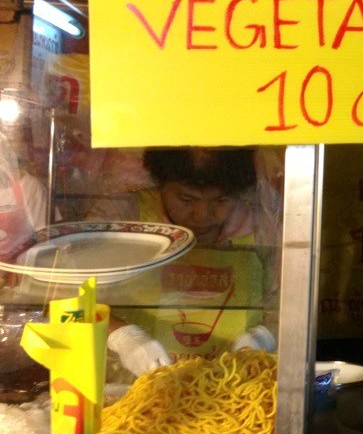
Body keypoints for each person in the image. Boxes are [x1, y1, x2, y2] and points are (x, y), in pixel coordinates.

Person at [89, 147, 279, 376]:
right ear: (161, 184)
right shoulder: (124, 215)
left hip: (239, 382)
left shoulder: (262, 221)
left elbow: (295, 304)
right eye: (187, 198)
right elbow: (66, 298)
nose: (202, 215)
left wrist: (266, 334)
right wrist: (123, 336)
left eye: (221, 199)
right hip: (138, 386)